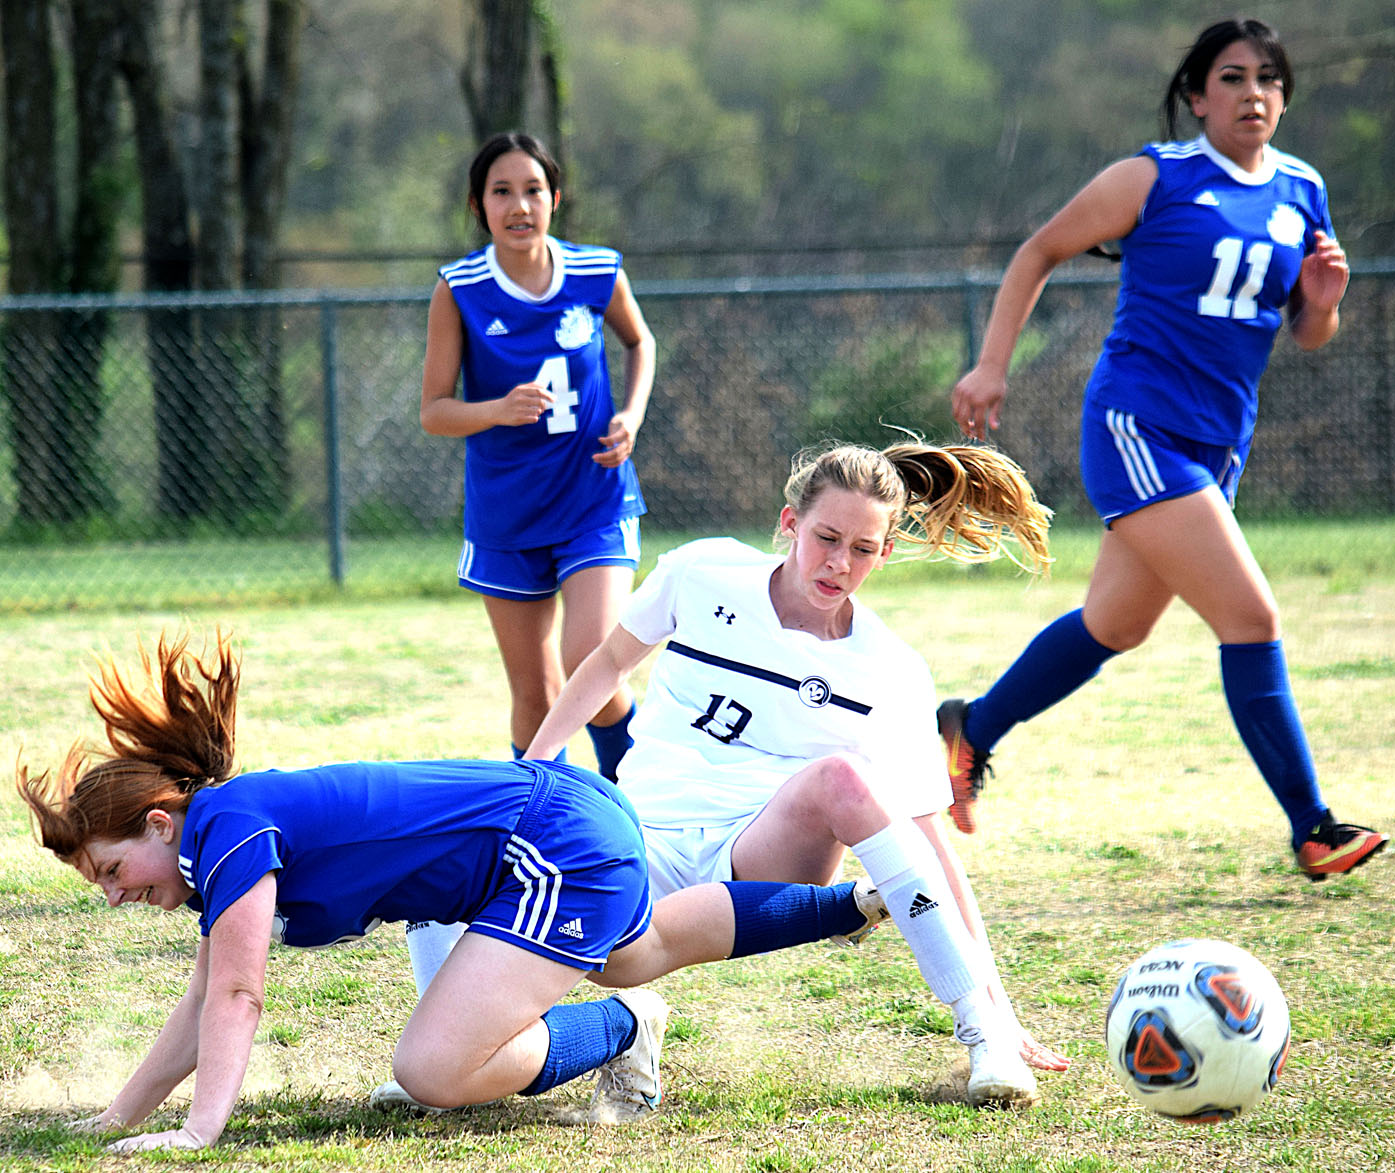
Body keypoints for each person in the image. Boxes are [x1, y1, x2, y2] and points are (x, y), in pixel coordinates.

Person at [16, 630, 902, 1152]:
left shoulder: (224, 832)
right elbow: (206, 995)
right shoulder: (222, 830)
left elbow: (239, 996)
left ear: (160, 823)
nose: (113, 894)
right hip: (556, 822)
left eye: (111, 869)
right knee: (640, 949)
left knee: (432, 1070)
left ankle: (626, 1025)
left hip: (548, 842)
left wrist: (201, 1131)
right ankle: (853, 904)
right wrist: (118, 1116)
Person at [491, 439, 1070, 1107]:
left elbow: (929, 841)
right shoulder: (701, 572)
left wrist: (998, 1004)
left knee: (841, 778)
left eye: (863, 548)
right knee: (479, 854)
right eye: (827, 538)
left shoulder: (892, 669)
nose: (840, 563)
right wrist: (535, 768)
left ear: (885, 552)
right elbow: (609, 663)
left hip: (762, 858)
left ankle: (983, 1037)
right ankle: (589, 1034)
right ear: (792, 523)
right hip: (639, 837)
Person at [941, 18, 1387, 880]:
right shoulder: (1156, 176)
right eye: (1232, 77)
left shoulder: (1302, 188)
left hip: (1220, 443)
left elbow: (1308, 332)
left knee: (1116, 625)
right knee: (1251, 619)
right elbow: (1038, 252)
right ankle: (1314, 828)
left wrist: (1325, 302)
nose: (1253, 93)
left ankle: (971, 728)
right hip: (1137, 426)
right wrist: (991, 365)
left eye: (1268, 78)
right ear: (1196, 98)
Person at [412, 130, 657, 1021]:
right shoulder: (460, 288)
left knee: (598, 658)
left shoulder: (595, 270)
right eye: (501, 191)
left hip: (593, 501)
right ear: (479, 205)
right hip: (507, 520)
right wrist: (497, 408)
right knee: (537, 691)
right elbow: (435, 410)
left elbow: (642, 342)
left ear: (556, 196)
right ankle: (539, 831)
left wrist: (631, 415)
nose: (519, 205)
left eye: (533, 189)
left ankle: (638, 800)